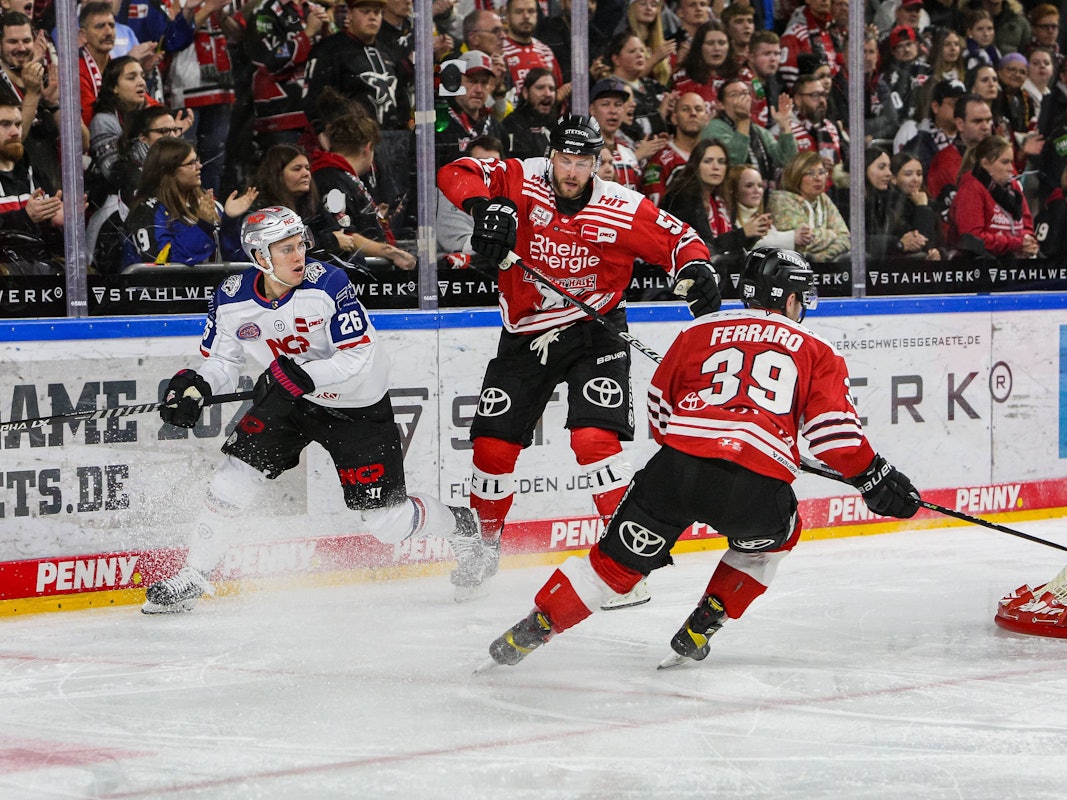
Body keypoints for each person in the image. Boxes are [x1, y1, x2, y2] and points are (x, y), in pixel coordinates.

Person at [483, 246, 921, 669]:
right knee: (776, 539)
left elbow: (660, 410)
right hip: (753, 491)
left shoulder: (699, 331)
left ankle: (533, 628)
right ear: (790, 298)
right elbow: (835, 437)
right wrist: (874, 477)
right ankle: (704, 622)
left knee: (612, 567)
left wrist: (698, 440)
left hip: (674, 473)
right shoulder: (818, 348)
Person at [142, 206, 487, 613]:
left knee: (387, 524)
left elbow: (357, 355)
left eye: (300, 245)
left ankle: (463, 526)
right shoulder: (232, 298)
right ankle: (195, 575)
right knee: (232, 479)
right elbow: (222, 361)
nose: (299, 256)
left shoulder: (328, 283)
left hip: (356, 405)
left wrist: (299, 376)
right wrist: (197, 385)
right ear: (259, 256)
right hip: (293, 402)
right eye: (285, 249)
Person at [436, 114, 718, 602]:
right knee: (492, 450)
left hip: (596, 329)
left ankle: (624, 561)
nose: (572, 170)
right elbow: (453, 172)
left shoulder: (620, 207)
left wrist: (696, 267)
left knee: (593, 441)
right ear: (551, 156)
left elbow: (680, 240)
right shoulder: (519, 178)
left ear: (597, 162)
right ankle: (484, 546)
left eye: (583, 161)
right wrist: (484, 207)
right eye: (565, 159)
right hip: (525, 333)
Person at [124, 137, 257, 267]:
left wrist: (230, 221)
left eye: (197, 160)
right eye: (191, 163)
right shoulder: (146, 212)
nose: (199, 166)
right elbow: (165, 265)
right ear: (169, 170)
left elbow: (235, 258)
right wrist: (202, 225)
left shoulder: (210, 205)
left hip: (215, 282)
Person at [947, 134, 1038, 258]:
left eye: (1011, 162)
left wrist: (1028, 241)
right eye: (1005, 162)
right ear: (985, 163)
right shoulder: (971, 188)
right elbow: (972, 238)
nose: (1011, 168)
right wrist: (1016, 244)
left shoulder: (1014, 187)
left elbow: (1027, 225)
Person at [702, 76, 797, 189]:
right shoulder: (714, 127)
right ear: (720, 104)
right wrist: (743, 120)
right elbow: (734, 160)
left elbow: (787, 161)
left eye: (745, 93)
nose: (741, 97)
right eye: (734, 94)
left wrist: (784, 125)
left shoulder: (759, 131)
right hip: (730, 193)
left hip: (763, 193)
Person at [767, 150, 850, 262]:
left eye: (821, 172)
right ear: (796, 176)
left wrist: (820, 258)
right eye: (810, 173)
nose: (818, 178)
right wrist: (832, 235)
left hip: (821, 267)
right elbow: (803, 243)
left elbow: (845, 237)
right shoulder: (780, 200)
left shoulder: (823, 198)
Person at [865, 147, 939, 261]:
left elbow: (928, 242)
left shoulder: (926, 202)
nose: (888, 173)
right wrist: (899, 244)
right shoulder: (888, 202)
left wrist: (938, 253)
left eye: (919, 174)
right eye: (908, 174)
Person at [500, 66, 557, 159]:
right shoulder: (512, 124)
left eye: (551, 89)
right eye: (540, 88)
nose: (547, 94)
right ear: (526, 93)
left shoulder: (557, 126)